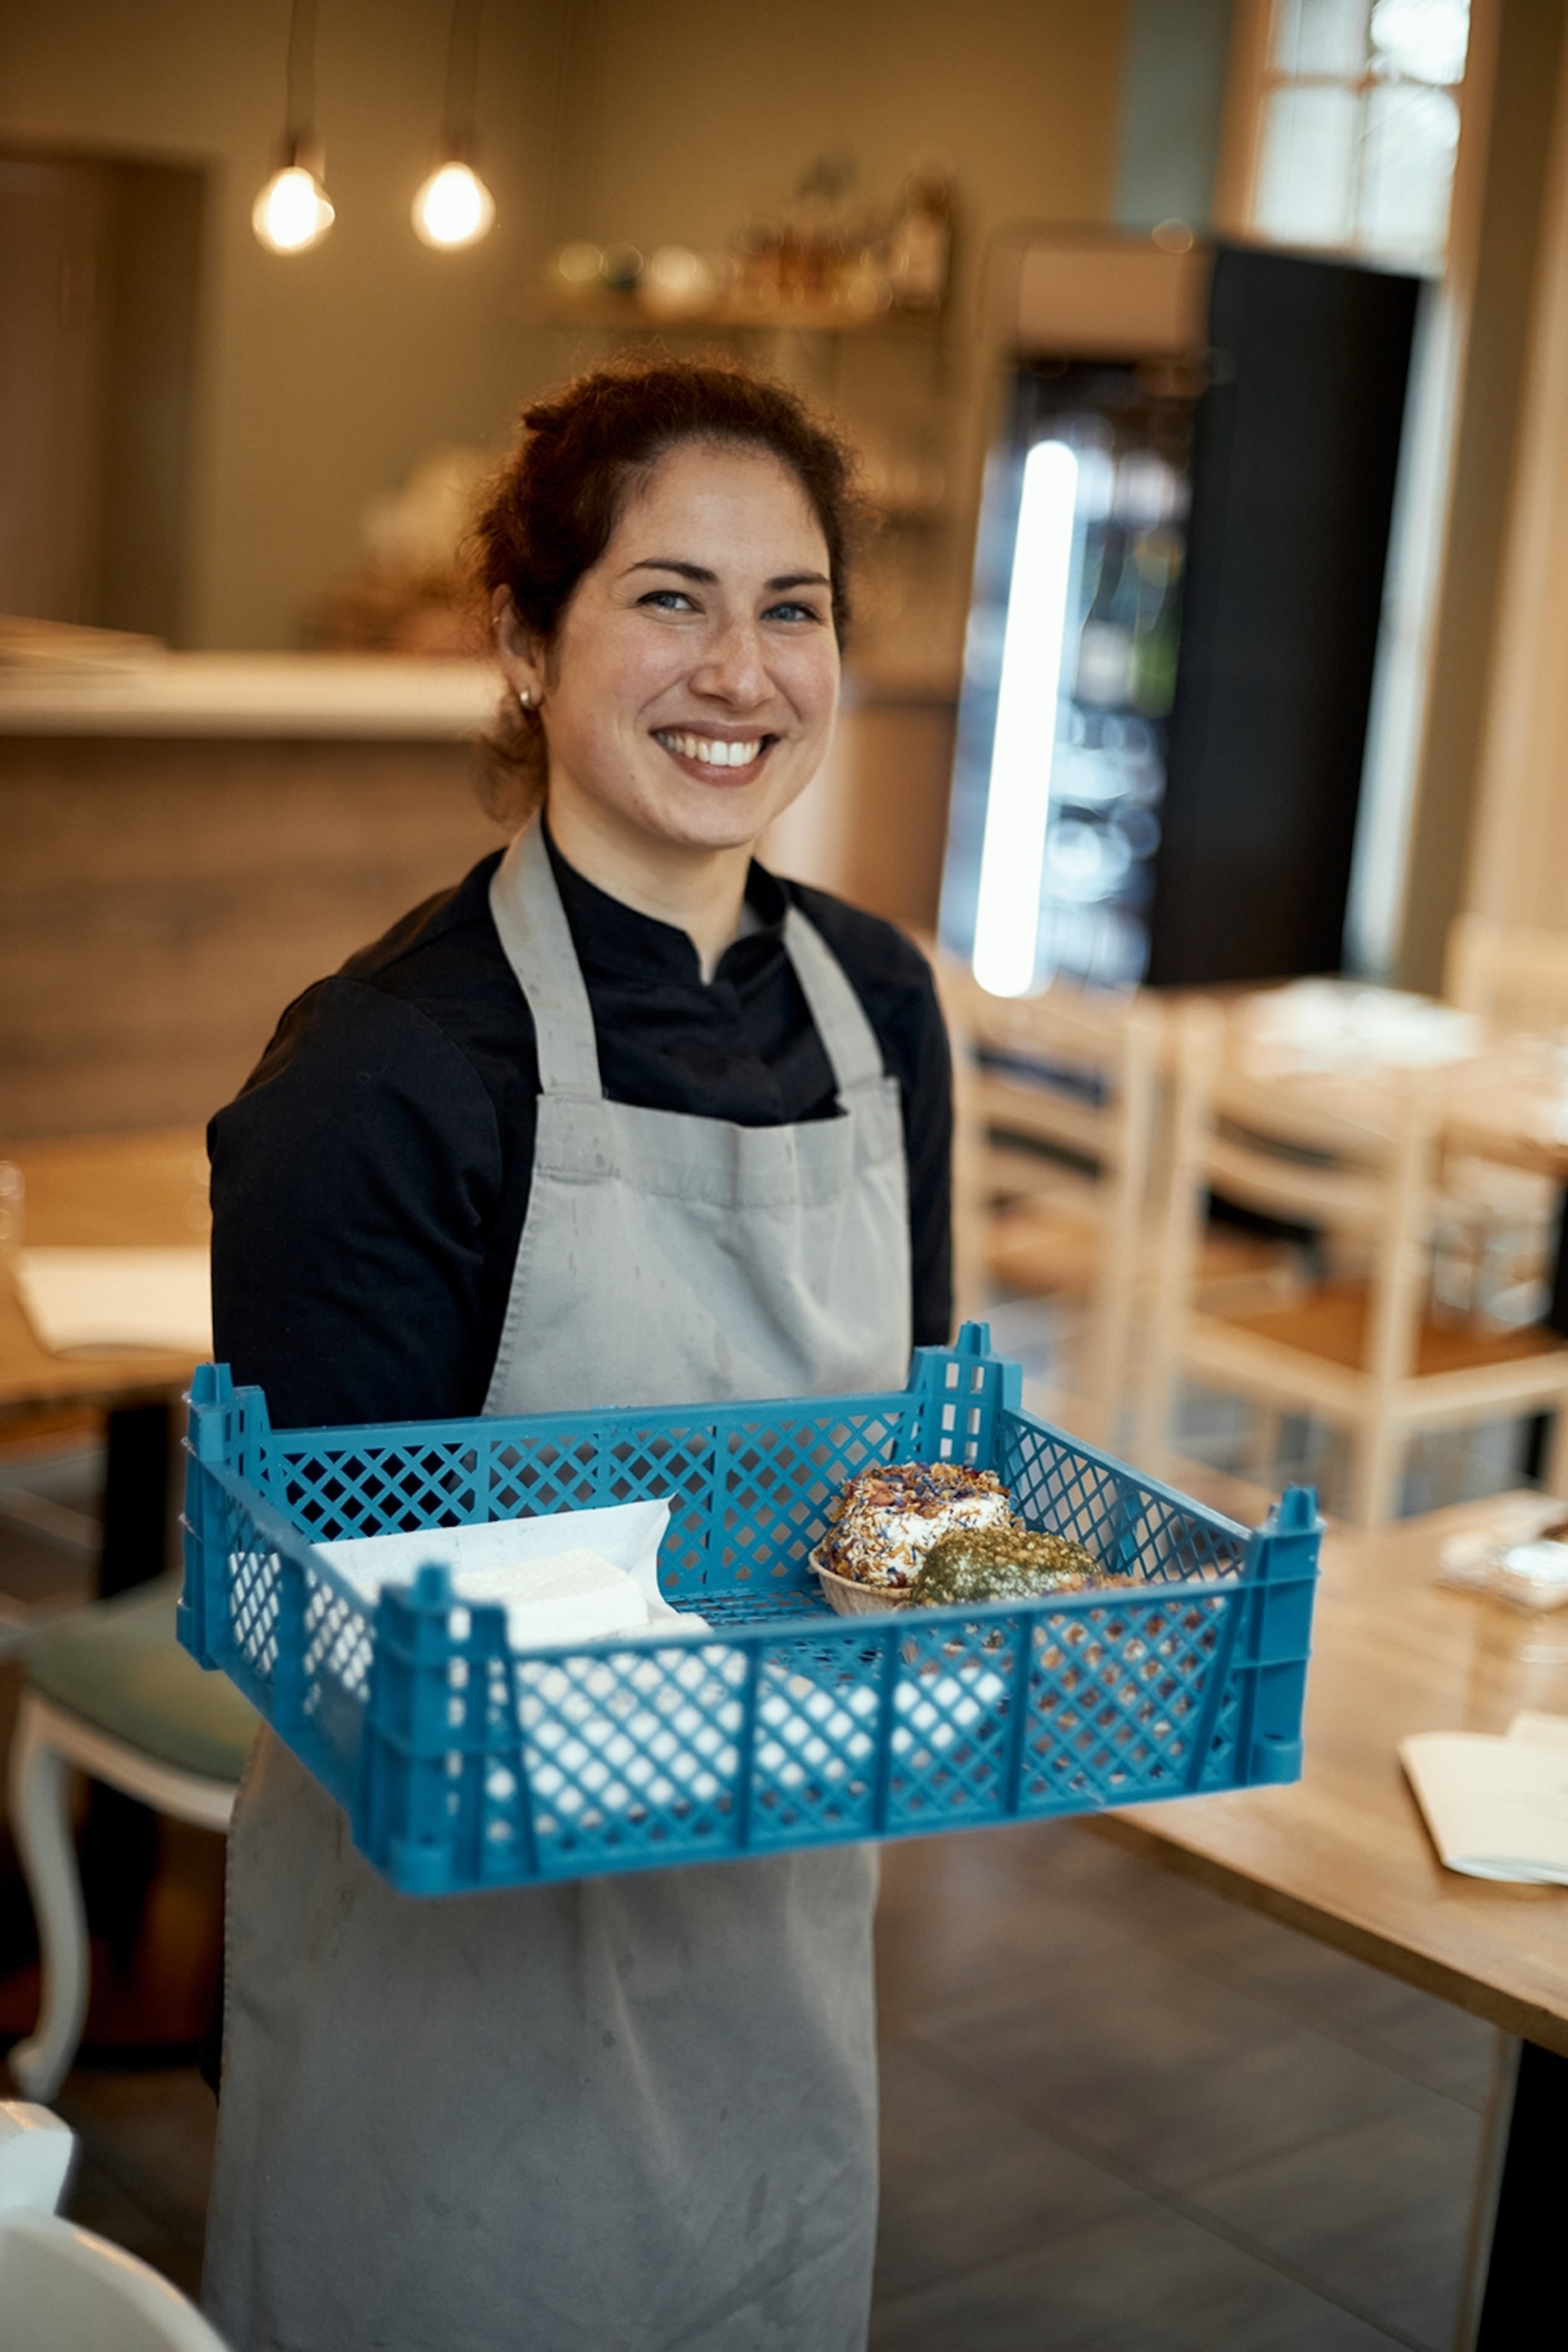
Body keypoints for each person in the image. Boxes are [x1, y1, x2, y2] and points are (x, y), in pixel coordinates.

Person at [201, 357, 953, 2352]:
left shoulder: (880, 1008)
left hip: (778, 1955)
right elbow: (333, 1639)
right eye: (669, 598)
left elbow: (914, 1476)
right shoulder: (379, 1073)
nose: (742, 670)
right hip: (455, 2005)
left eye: (792, 607)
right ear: (527, 643)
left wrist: (977, 1617)